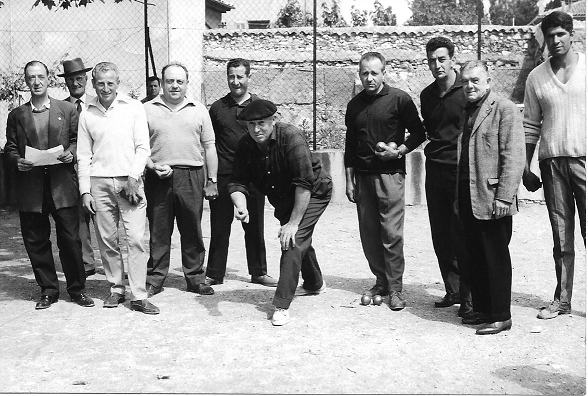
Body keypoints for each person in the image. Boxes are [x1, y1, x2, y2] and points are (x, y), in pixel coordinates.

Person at [228, 99, 332, 326]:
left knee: (293, 238)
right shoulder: (246, 144)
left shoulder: (290, 137)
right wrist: (241, 204)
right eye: (251, 124)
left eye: (262, 123)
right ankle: (315, 283)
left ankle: (282, 305)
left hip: (313, 191)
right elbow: (237, 182)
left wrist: (294, 223)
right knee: (299, 238)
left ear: (273, 120)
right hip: (284, 197)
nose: (256, 129)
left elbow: (304, 182)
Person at [4, 60, 94, 309]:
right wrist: (17, 161)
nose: (36, 82)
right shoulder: (17, 115)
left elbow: (79, 141)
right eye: (31, 77)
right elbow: (10, 147)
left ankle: (78, 289)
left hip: (62, 187)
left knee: (70, 240)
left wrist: (71, 153)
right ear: (26, 81)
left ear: (48, 79)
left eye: (40, 77)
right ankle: (48, 290)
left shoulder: (66, 110)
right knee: (36, 240)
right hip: (31, 188)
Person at [344, 52, 426, 311]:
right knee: (369, 234)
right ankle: (380, 281)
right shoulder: (354, 104)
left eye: (374, 73)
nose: (369, 78)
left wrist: (399, 151)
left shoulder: (399, 99)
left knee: (391, 233)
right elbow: (349, 145)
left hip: (390, 176)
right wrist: (349, 179)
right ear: (359, 74)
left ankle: (395, 288)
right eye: (364, 73)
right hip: (363, 176)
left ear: (384, 72)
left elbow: (419, 133)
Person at [77, 61, 159, 314]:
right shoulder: (87, 113)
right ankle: (116, 289)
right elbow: (83, 155)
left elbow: (143, 147)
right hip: (99, 183)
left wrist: (134, 177)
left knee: (134, 239)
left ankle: (138, 295)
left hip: (129, 182)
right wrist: (85, 190)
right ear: (93, 84)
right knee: (107, 240)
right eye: (100, 83)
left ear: (118, 83)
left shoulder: (133, 107)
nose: (105, 88)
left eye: (110, 83)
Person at [522, 11, 586, 320]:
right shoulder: (536, 77)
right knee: (561, 237)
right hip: (551, 164)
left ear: (571, 34)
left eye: (561, 34)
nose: (556, 40)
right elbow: (531, 125)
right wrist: (525, 165)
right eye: (550, 36)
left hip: (585, 160)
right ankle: (562, 300)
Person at [457, 60, 525, 335]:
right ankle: (484, 310)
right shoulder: (467, 111)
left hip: (493, 197)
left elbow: (514, 156)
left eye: (475, 80)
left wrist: (504, 197)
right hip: (468, 195)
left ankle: (500, 315)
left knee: (495, 256)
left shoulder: (505, 110)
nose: (470, 86)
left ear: (488, 81)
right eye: (465, 81)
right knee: (476, 255)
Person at [143, 62, 219, 297]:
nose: (174, 85)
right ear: (162, 84)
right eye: (169, 81)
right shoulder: (146, 109)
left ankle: (196, 277)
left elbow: (209, 146)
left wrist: (212, 180)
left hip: (191, 176)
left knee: (192, 229)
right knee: (159, 230)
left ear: (187, 84)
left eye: (179, 81)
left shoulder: (199, 110)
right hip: (158, 177)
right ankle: (155, 279)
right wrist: (152, 166)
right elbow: (139, 147)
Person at [205, 58, 275, 287]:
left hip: (253, 177)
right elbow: (209, 145)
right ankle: (215, 273)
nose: (235, 82)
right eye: (231, 77)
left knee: (254, 226)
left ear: (248, 78)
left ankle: (258, 271)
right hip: (225, 175)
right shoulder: (217, 108)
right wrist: (211, 179)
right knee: (220, 225)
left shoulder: (259, 107)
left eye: (240, 77)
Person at [419, 37, 472, 317]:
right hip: (434, 169)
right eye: (432, 60)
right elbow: (428, 131)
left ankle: (468, 296)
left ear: (452, 59)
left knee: (461, 231)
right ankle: (452, 290)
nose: (437, 65)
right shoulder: (427, 96)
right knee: (440, 231)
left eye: (442, 59)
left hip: (460, 169)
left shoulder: (467, 90)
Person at [58, 57, 97, 278]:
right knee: (80, 218)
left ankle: (115, 264)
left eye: (79, 78)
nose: (76, 83)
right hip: (72, 171)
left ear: (86, 79)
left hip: (98, 168)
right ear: (66, 83)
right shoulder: (61, 108)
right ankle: (87, 262)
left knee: (103, 217)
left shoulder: (97, 103)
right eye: (71, 79)